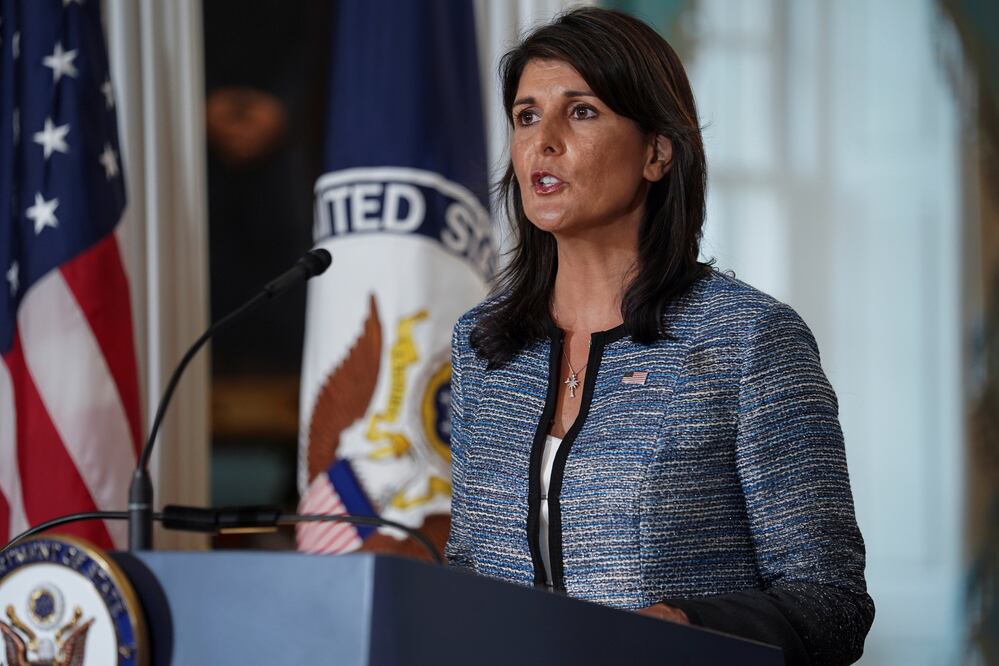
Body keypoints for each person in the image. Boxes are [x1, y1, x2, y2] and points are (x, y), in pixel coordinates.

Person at [444, 7, 874, 665]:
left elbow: (830, 604)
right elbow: (468, 569)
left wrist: (679, 623)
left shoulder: (746, 340)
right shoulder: (484, 346)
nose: (542, 142)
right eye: (526, 116)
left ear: (656, 152)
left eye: (580, 112)